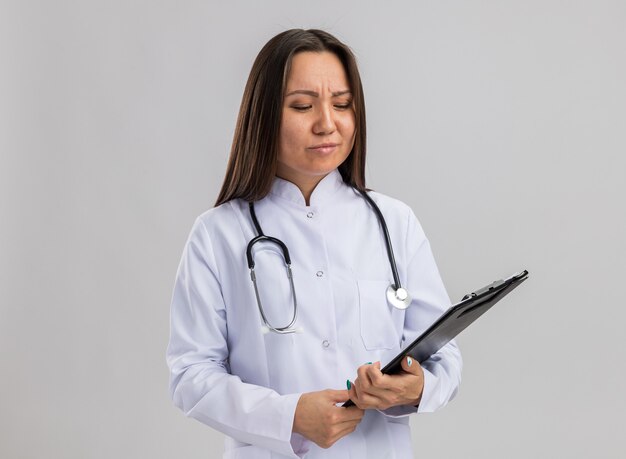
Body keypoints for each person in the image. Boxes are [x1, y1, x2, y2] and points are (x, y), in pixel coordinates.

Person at [166, 29, 462, 459]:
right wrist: (287, 416)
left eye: (342, 104)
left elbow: (444, 357)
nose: (328, 123)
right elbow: (190, 375)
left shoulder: (394, 222)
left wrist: (416, 389)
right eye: (302, 106)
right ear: (265, 114)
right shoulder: (218, 234)